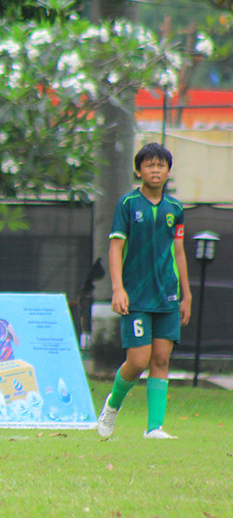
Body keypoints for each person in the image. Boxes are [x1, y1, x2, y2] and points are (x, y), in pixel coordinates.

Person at [97, 142, 191, 439]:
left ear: (168, 172)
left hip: (168, 295)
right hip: (136, 295)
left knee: (161, 360)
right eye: (149, 165)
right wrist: (117, 289)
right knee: (138, 361)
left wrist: (186, 295)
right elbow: (115, 248)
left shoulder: (175, 209)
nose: (155, 169)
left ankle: (154, 428)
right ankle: (112, 405)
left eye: (160, 165)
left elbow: (179, 252)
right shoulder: (127, 205)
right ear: (138, 170)